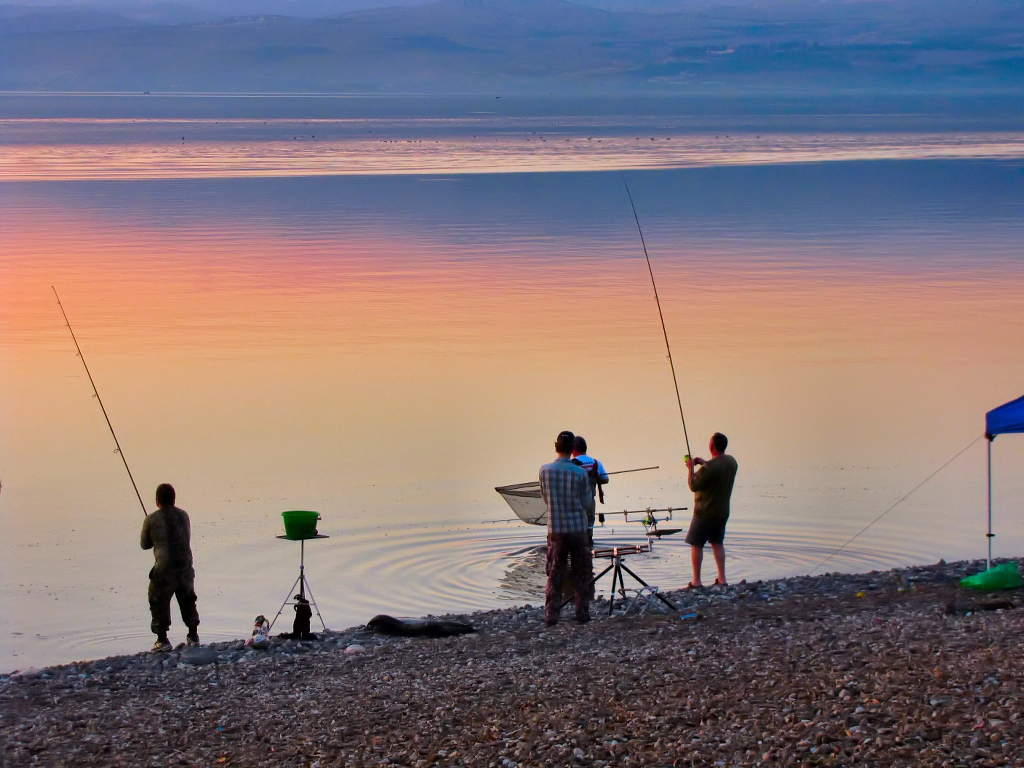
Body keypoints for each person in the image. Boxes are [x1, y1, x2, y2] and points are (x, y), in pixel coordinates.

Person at [539, 430, 595, 626]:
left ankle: (551, 615)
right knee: (582, 572)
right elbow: (587, 504)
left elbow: (545, 498)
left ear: (556, 447)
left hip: (556, 528)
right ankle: (582, 613)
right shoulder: (581, 473)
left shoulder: (544, 470)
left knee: (555, 573)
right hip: (578, 528)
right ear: (573, 449)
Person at [141, 483, 200, 652]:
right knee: (188, 599)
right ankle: (193, 635)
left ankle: (162, 640)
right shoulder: (184, 515)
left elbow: (145, 544)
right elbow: (185, 538)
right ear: (174, 499)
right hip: (185, 566)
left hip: (164, 568)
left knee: (158, 600)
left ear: (157, 501)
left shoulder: (151, 519)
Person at [685, 433, 738, 588]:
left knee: (697, 544)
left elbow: (693, 485)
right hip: (722, 512)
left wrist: (690, 469)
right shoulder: (731, 462)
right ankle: (722, 579)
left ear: (712, 446)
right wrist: (705, 463)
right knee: (717, 543)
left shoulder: (710, 468)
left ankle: (696, 581)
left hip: (704, 512)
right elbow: (716, 469)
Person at [571, 435, 609, 544]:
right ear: (585, 448)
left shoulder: (570, 464)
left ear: (573, 449)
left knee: (576, 530)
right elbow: (605, 479)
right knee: (589, 529)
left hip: (574, 502)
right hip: (590, 502)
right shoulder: (596, 463)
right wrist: (594, 478)